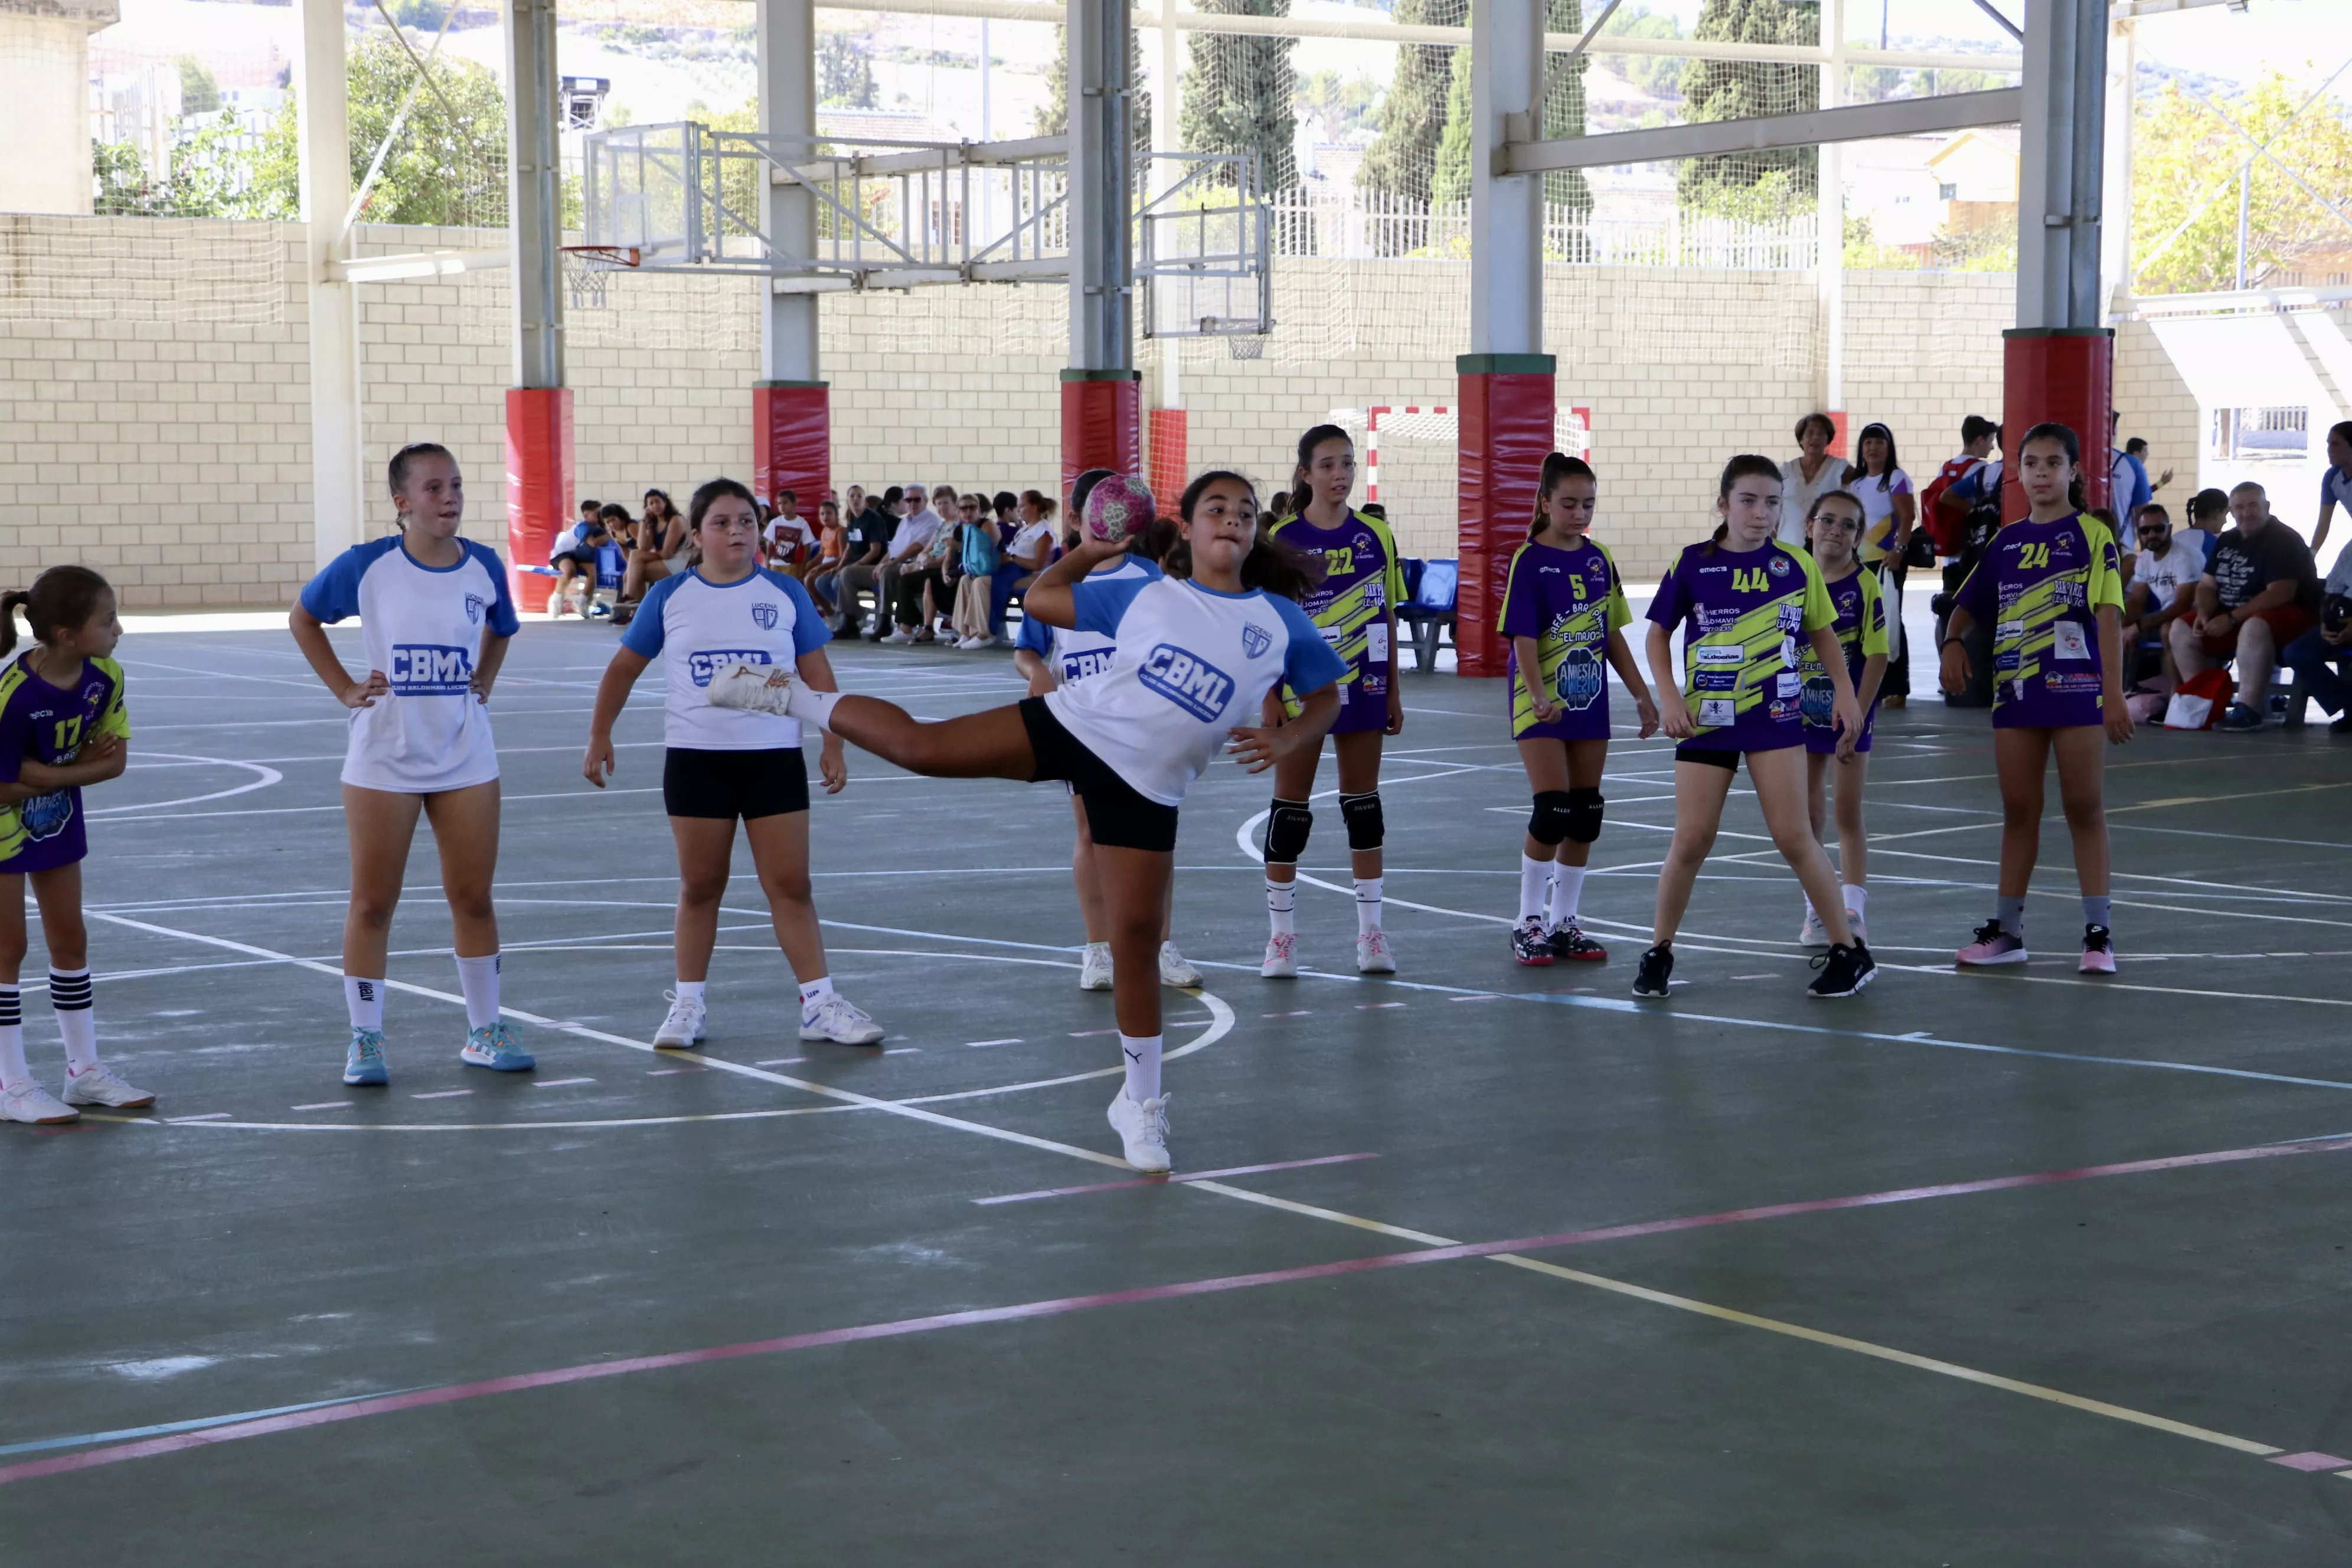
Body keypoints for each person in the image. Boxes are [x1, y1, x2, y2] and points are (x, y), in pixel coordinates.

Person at [713, 472, 1346, 1173]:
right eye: (1216, 508)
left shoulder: (1278, 622)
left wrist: (1290, 738)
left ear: (1257, 530)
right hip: (1077, 725)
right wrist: (1089, 545)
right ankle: (785, 694)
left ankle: (1139, 1105)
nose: (1232, 519)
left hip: (1149, 786)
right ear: (1188, 530)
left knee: (1135, 942)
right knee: (921, 748)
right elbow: (1042, 598)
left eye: (1245, 511)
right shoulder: (1143, 591)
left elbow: (1326, 697)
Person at [582, 478, 884, 1050]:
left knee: (791, 885)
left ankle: (819, 1004)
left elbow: (817, 674)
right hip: (698, 762)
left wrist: (833, 740)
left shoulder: (784, 593)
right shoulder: (669, 597)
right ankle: (688, 1005)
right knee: (701, 886)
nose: (737, 531)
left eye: (746, 520)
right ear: (697, 534)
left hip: (772, 761)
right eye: (721, 522)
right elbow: (622, 670)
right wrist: (600, 733)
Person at [290, 442, 530, 1087]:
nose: (448, 496)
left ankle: (484, 1029)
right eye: (432, 488)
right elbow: (304, 618)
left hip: (465, 755)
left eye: (454, 484)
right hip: (384, 759)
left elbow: (503, 628)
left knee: (473, 897)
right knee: (372, 902)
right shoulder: (367, 566)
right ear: (402, 502)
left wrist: (484, 680)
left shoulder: (483, 564)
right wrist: (346, 689)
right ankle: (365, 1039)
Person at [1637, 455, 1874, 1001]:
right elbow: (1656, 635)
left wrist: (1844, 692)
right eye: (1747, 500)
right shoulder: (1694, 562)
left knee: (1795, 836)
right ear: (1723, 504)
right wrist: (1668, 697)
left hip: (1775, 722)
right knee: (1691, 839)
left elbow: (1824, 636)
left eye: (1772, 502)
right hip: (1707, 721)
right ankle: (1659, 950)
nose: (1761, 513)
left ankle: (1848, 950)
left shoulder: (1795, 566)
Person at [1938, 421, 2131, 974]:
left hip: (2078, 694)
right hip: (2017, 694)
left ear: (2073, 471)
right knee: (2019, 811)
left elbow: (2109, 616)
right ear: (2017, 474)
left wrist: (2112, 695)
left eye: (2053, 463)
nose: (2041, 472)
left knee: (2084, 807)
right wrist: (1953, 640)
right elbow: (1968, 601)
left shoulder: (2094, 537)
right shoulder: (2007, 541)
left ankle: (2098, 938)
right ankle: (2008, 931)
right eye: (2031, 464)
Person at [1012, 511, 1202, 991]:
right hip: (1081, 718)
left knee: (1156, 834)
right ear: (1078, 518)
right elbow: (1027, 647)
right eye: (1102, 514)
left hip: (1142, 722)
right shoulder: (1061, 579)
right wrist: (1035, 671)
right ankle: (1098, 950)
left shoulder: (1147, 577)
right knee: (1089, 832)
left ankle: (1160, 946)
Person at [0, 567, 150, 1125]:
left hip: (54, 817)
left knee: (70, 939)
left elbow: (113, 762)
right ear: (66, 634)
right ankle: (10, 1082)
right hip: (1, 824)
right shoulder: (12, 698)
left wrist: (49, 777)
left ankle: (82, 1071)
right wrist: (66, 772)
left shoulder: (105, 677)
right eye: (107, 620)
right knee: (7, 948)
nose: (119, 629)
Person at [1498, 453, 1658, 966]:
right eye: (1568, 503)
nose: (1579, 513)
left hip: (1588, 696)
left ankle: (1566, 921)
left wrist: (1641, 693)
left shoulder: (1598, 558)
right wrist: (1539, 694)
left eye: (1588, 504)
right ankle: (1527, 921)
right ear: (1545, 503)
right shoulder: (1531, 560)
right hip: (1540, 700)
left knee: (1586, 813)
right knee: (1553, 809)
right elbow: (1522, 636)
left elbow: (1612, 634)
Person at [1261, 425, 1407, 977]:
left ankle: (1371, 935)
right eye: (1326, 465)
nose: (1339, 475)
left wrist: (1393, 689)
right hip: (1304, 690)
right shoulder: (1282, 538)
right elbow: (1269, 622)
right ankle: (1282, 940)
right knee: (1290, 812)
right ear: (1305, 473)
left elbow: (1387, 615)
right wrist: (1272, 693)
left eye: (1346, 464)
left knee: (1363, 807)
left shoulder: (1375, 535)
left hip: (1365, 686)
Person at [1794, 489, 1888, 948]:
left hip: (1848, 712)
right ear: (1810, 524)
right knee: (1807, 810)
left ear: (1858, 537)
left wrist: (1858, 712)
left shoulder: (1865, 584)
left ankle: (1853, 910)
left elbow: (1877, 654)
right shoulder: (1790, 574)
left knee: (1847, 811)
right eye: (1827, 520)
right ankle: (1817, 907)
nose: (1834, 530)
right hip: (1796, 710)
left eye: (1847, 525)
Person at [2168, 479, 2322, 731]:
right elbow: (2207, 585)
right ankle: (2203, 705)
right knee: (2180, 628)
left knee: (2255, 625)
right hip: (2235, 617)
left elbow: (2281, 593)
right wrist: (2204, 614)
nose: (2246, 513)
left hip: (2291, 619)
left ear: (2267, 506)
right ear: (2231, 511)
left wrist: (2231, 619)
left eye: (2253, 505)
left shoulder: (2284, 540)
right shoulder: (2227, 539)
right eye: (2239, 507)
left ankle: (2248, 710)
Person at [1845, 421, 1916, 707]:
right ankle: (1867, 684)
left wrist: (1899, 549)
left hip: (1888, 562)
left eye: (1879, 442)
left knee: (1889, 621)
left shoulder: (1896, 478)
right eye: (1868, 443)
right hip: (1860, 563)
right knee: (1862, 623)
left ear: (1889, 448)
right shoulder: (1856, 484)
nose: (1873, 448)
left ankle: (1897, 687)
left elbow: (1908, 516)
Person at [2121, 503, 2201, 689]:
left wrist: (2139, 626)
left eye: (2158, 529)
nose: (2151, 535)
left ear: (2170, 529)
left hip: (2200, 616)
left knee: (2167, 629)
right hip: (2169, 618)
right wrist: (2117, 622)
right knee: (2114, 630)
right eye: (2145, 530)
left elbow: (2184, 605)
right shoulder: (2145, 559)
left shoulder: (2184, 556)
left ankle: (2177, 694)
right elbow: (2136, 601)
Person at [2283, 535, 2352, 734]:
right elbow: (2331, 589)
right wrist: (2325, 622)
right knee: (2297, 652)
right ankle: (2349, 704)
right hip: (2343, 613)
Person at [874, 484, 943, 643]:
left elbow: (917, 548)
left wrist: (892, 563)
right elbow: (893, 549)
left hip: (915, 565)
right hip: (898, 563)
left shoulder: (932, 521)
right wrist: (882, 563)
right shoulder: (905, 522)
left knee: (891, 574)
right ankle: (846, 618)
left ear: (925, 501)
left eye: (916, 499)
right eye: (908, 500)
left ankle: (888, 620)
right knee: (848, 574)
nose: (912, 503)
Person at [834, 485, 900, 636]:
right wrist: (840, 565)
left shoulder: (873, 519)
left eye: (859, 496)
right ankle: (847, 618)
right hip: (857, 567)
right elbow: (850, 547)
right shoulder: (852, 520)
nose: (856, 499)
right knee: (825, 581)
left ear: (865, 501)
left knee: (845, 576)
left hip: (874, 567)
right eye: (852, 496)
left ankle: (852, 619)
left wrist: (855, 566)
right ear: (848, 500)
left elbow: (875, 551)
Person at [1778, 411, 1846, 550]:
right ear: (1801, 438)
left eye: (1821, 433)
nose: (1815, 438)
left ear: (1828, 439)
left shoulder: (1840, 468)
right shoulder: (1786, 470)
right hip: (1788, 544)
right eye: (1810, 433)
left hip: (1825, 547)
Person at [952, 492, 1002, 648]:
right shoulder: (962, 529)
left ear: (979, 509)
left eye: (972, 507)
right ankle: (966, 632)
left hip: (997, 572)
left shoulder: (988, 525)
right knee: (965, 580)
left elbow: (988, 554)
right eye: (964, 508)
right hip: (976, 571)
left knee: (979, 582)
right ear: (959, 512)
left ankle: (983, 633)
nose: (968, 512)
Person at [623, 486, 688, 605]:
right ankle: (631, 607)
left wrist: (649, 554)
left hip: (679, 562)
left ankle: (630, 607)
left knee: (636, 570)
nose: (655, 506)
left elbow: (667, 553)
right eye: (651, 503)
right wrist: (643, 522)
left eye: (658, 501)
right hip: (665, 560)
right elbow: (643, 547)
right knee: (630, 571)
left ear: (665, 502)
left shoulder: (676, 520)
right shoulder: (654, 523)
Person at [548, 514, 612, 618]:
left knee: (595, 572)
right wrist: (610, 535)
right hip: (563, 554)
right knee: (569, 571)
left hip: (579, 556)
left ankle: (582, 601)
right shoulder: (583, 527)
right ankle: (556, 600)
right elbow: (592, 543)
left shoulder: (599, 529)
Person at [2107, 413, 2152, 553]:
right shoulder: (2133, 465)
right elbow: (2143, 516)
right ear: (2113, 430)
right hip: (2122, 550)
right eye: (2145, 451)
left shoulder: (2071, 461)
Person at [2311, 420, 2352, 556]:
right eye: (2328, 444)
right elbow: (2323, 523)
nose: (2329, 450)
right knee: (2336, 577)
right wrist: (2311, 555)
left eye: (2336, 444)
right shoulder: (2332, 477)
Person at [763, 489, 816, 570]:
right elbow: (770, 544)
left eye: (785, 503)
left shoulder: (802, 523)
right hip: (775, 564)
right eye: (779, 503)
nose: (782, 506)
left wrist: (804, 564)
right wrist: (767, 562)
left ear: (794, 504)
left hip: (793, 566)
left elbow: (807, 546)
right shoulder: (775, 523)